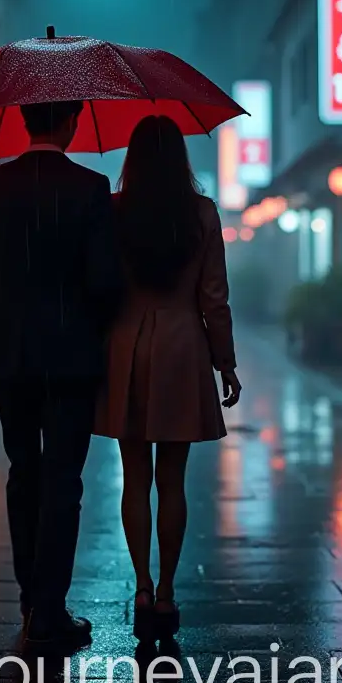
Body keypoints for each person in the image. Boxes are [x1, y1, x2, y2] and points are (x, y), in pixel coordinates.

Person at [0, 99, 123, 649]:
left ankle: (30, 601)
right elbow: (103, 281)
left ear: (24, 120)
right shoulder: (91, 187)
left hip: (11, 352)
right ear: (72, 122)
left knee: (23, 472)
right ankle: (50, 609)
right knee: (63, 481)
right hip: (73, 355)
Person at [94, 114, 241, 640]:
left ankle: (139, 583)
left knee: (134, 475)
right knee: (171, 479)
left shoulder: (112, 211)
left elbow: (98, 284)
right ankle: (167, 593)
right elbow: (214, 298)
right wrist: (226, 362)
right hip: (183, 346)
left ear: (131, 158)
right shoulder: (201, 213)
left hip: (126, 346)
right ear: (181, 158)